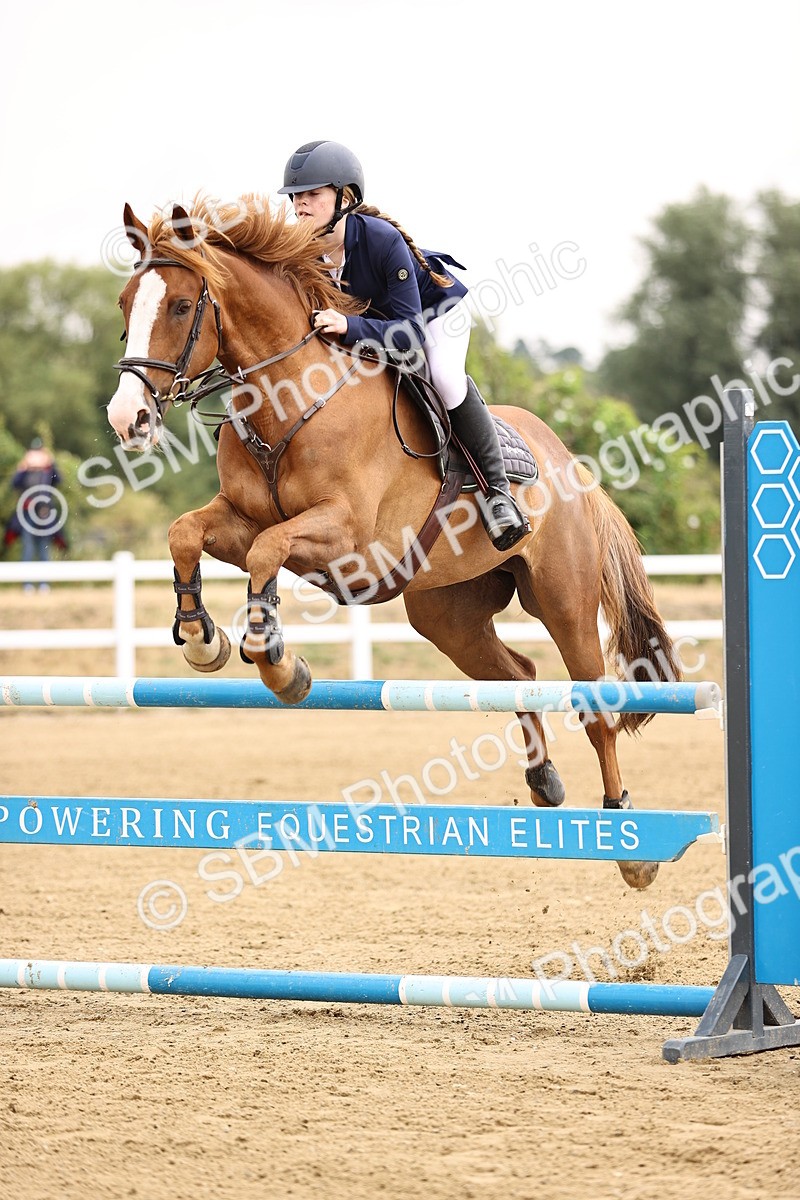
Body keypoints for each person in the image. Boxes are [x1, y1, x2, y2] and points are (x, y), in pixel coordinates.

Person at [277, 140, 530, 552]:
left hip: (434, 315)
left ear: (345, 198)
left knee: (444, 379)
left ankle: (497, 492)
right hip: (377, 321)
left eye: (312, 195)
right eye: (296, 197)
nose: (300, 205)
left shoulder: (381, 240)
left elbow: (409, 334)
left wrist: (349, 325)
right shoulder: (301, 247)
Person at [11, 439, 62, 592]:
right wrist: (23, 467)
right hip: (27, 512)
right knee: (27, 547)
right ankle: (27, 584)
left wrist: (51, 464)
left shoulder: (48, 471)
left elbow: (58, 480)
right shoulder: (25, 471)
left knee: (43, 547)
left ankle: (43, 583)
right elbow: (14, 484)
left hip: (44, 513)